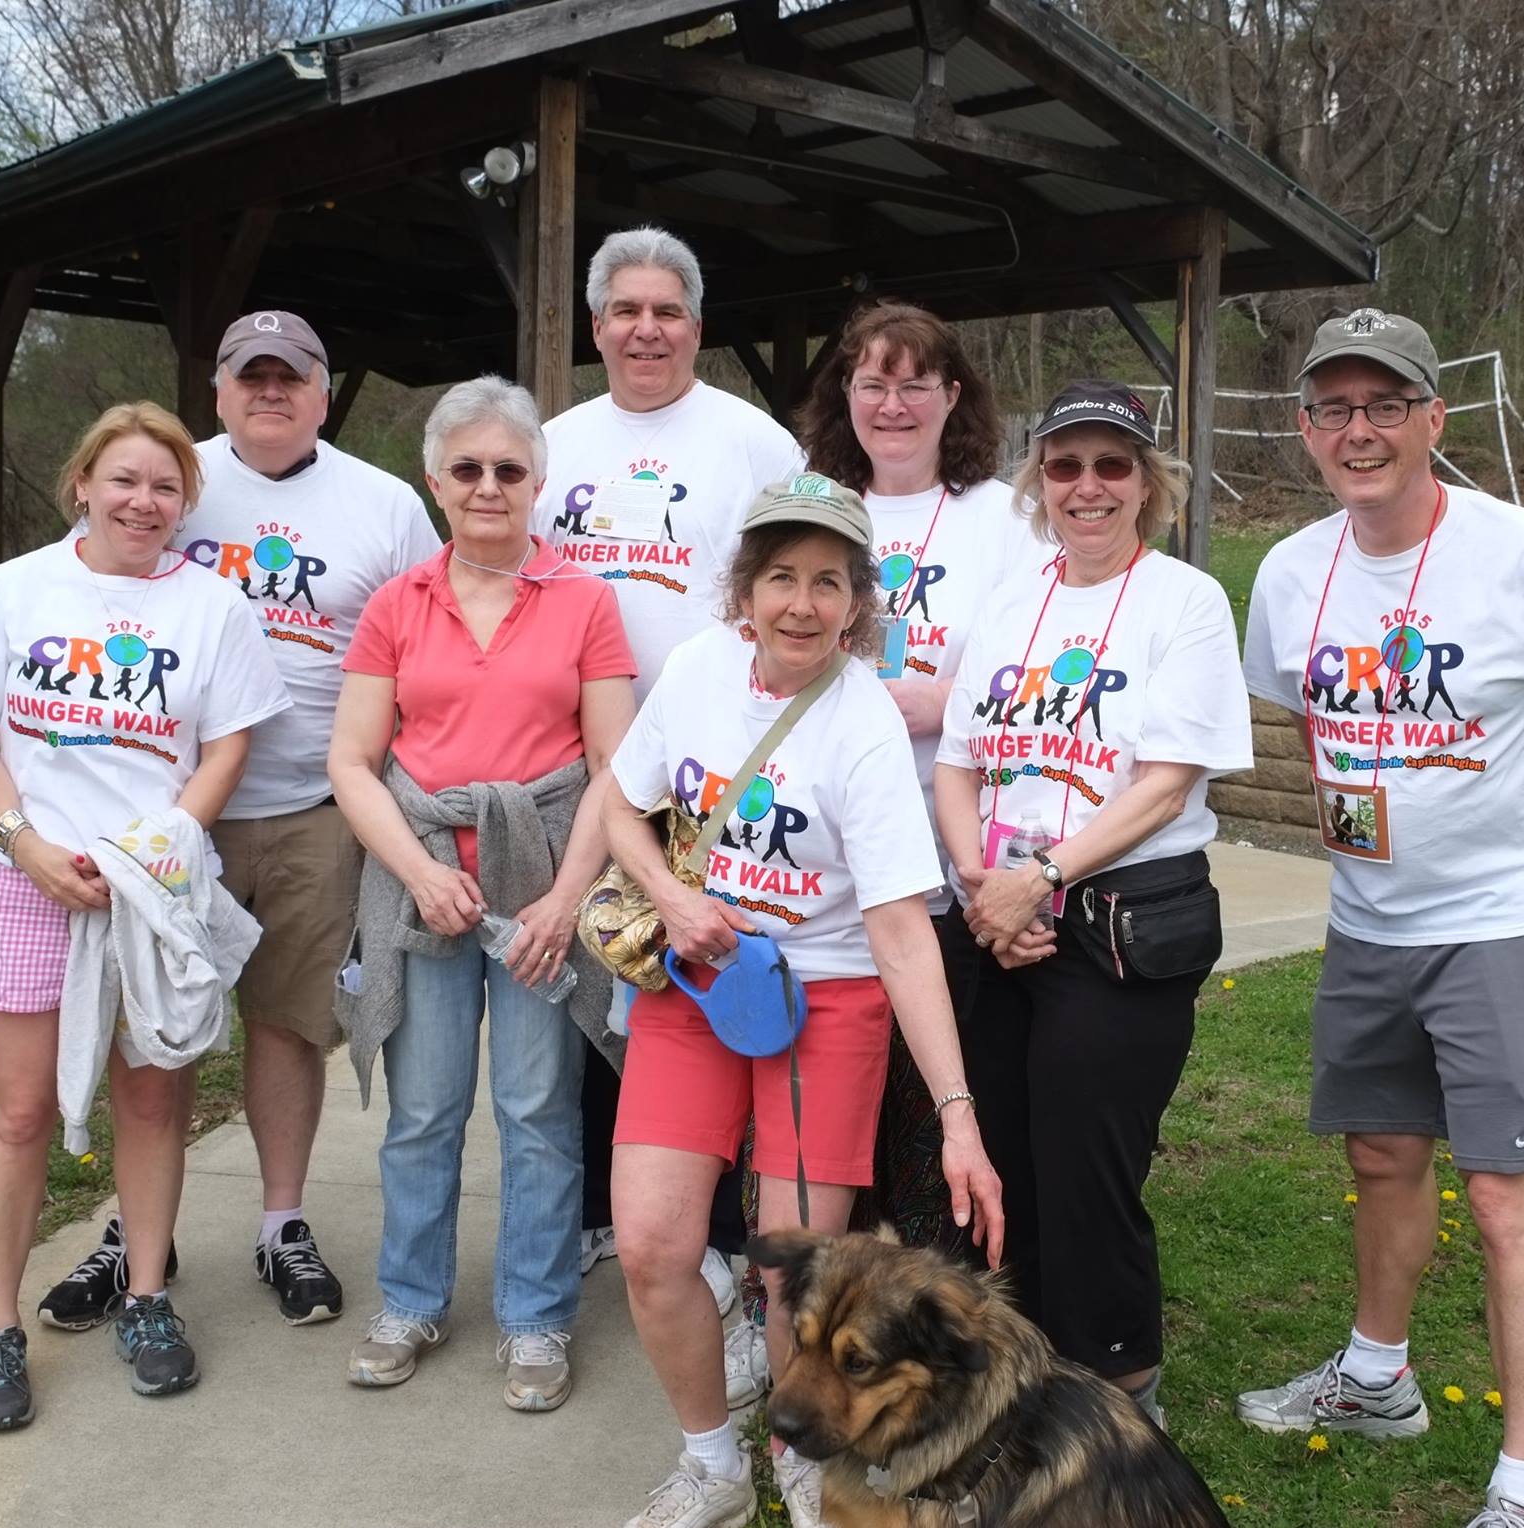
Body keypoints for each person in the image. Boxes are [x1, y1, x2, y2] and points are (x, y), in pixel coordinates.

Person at [1236, 308, 1524, 1528]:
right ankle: (1376, 1378)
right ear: (1305, 429)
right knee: (1380, 1155)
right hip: (1368, 922)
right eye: (1330, 409)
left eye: (1382, 406)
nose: (1355, 431)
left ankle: (1522, 1490)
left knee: (1504, 1195)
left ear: (1434, 418)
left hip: (1502, 928)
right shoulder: (1289, 570)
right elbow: (1311, 724)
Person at [606, 473, 1005, 1528]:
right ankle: (710, 1464)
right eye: (780, 575)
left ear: (856, 602)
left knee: (794, 1276)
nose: (800, 602)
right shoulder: (695, 669)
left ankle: (802, 1453)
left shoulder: (863, 723)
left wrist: (957, 1116)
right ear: (743, 586)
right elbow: (619, 801)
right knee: (648, 1241)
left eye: (827, 581)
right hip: (696, 987)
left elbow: (898, 933)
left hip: (824, 1006)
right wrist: (669, 894)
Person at [37, 311, 440, 1332]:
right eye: (248, 376)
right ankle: (138, 1233)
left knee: (288, 1022)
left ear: (321, 388)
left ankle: (281, 1221)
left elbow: (423, 643)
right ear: (216, 390)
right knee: (154, 1037)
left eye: (290, 376)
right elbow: (73, 604)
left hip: (313, 806)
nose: (269, 392)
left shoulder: (383, 504)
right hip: (167, 820)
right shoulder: (170, 480)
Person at [0, 403, 292, 1429]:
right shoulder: (15, 590)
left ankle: (148, 1295)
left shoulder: (213, 607)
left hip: (150, 892)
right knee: (21, 1109)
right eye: (123, 480)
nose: (143, 501)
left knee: (155, 1101)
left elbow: (224, 749)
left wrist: (162, 841)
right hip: (33, 880)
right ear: (81, 483)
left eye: (165, 487)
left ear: (185, 503)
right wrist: (25, 839)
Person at [934, 380, 1253, 1426]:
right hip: (999, 915)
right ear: (1038, 481)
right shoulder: (1010, 600)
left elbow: (1164, 780)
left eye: (1111, 465)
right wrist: (988, 890)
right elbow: (956, 765)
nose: (1086, 486)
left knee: (1086, 1174)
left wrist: (1043, 878)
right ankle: (1014, 1379)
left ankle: (1121, 1398)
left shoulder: (1185, 601)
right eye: (1064, 465)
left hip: (1117, 922)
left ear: (1146, 484)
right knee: (1000, 1162)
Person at [328, 376, 636, 1410]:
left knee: (538, 1106)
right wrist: (419, 872)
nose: (489, 485)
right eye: (468, 468)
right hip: (422, 880)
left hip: (541, 879)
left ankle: (536, 1316)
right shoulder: (395, 605)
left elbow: (613, 768)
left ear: (539, 481)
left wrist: (563, 901)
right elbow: (352, 762)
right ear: (435, 482)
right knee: (423, 1110)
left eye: (509, 468)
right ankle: (409, 1299)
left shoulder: (586, 601)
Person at [531, 225, 805, 1356]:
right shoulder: (551, 444)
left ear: (696, 322)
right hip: (578, 761)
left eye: (668, 309)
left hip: (713, 767)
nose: (645, 327)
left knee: (705, 987)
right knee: (602, 979)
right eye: (624, 309)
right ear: (595, 325)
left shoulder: (751, 439)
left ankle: (738, 1249)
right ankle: (612, 1215)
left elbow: (801, 580)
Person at [793, 299, 1018, 1252]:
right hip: (823, 861)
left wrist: (944, 702)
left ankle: (937, 1284)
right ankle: (811, 1285)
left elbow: (1049, 652)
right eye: (872, 381)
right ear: (845, 393)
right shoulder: (807, 500)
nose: (893, 404)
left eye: (914, 382)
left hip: (951, 852)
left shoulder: (1004, 517)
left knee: (938, 1088)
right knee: (835, 1088)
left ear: (951, 395)